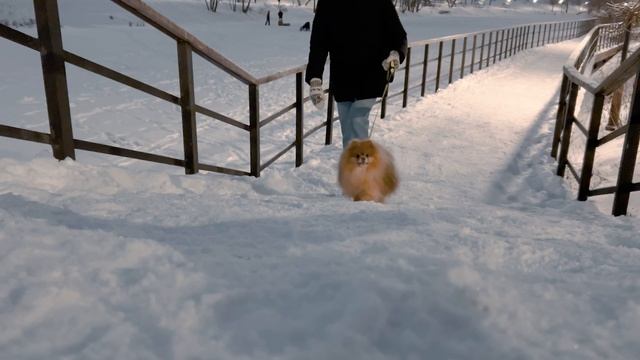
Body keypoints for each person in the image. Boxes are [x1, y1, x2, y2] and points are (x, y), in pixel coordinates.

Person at [305, 0, 407, 148]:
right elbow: (318, 43)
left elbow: (399, 35)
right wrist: (315, 79)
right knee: (348, 135)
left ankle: (360, 169)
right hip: (342, 79)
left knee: (357, 123)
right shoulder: (328, 3)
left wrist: (397, 54)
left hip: (371, 76)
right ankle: (355, 168)